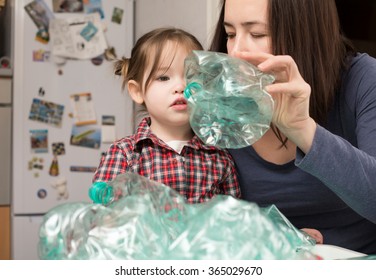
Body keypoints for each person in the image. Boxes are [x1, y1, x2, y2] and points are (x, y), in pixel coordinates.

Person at [209, 0, 376, 254]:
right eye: (230, 34)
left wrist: (303, 129)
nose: (236, 52)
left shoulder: (363, 80)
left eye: (257, 34)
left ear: (304, 32)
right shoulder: (217, 93)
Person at [92, 27, 240, 204]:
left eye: (191, 76)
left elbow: (233, 219)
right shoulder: (124, 154)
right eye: (163, 78)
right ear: (137, 91)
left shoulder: (219, 157)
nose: (180, 86)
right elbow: (105, 217)